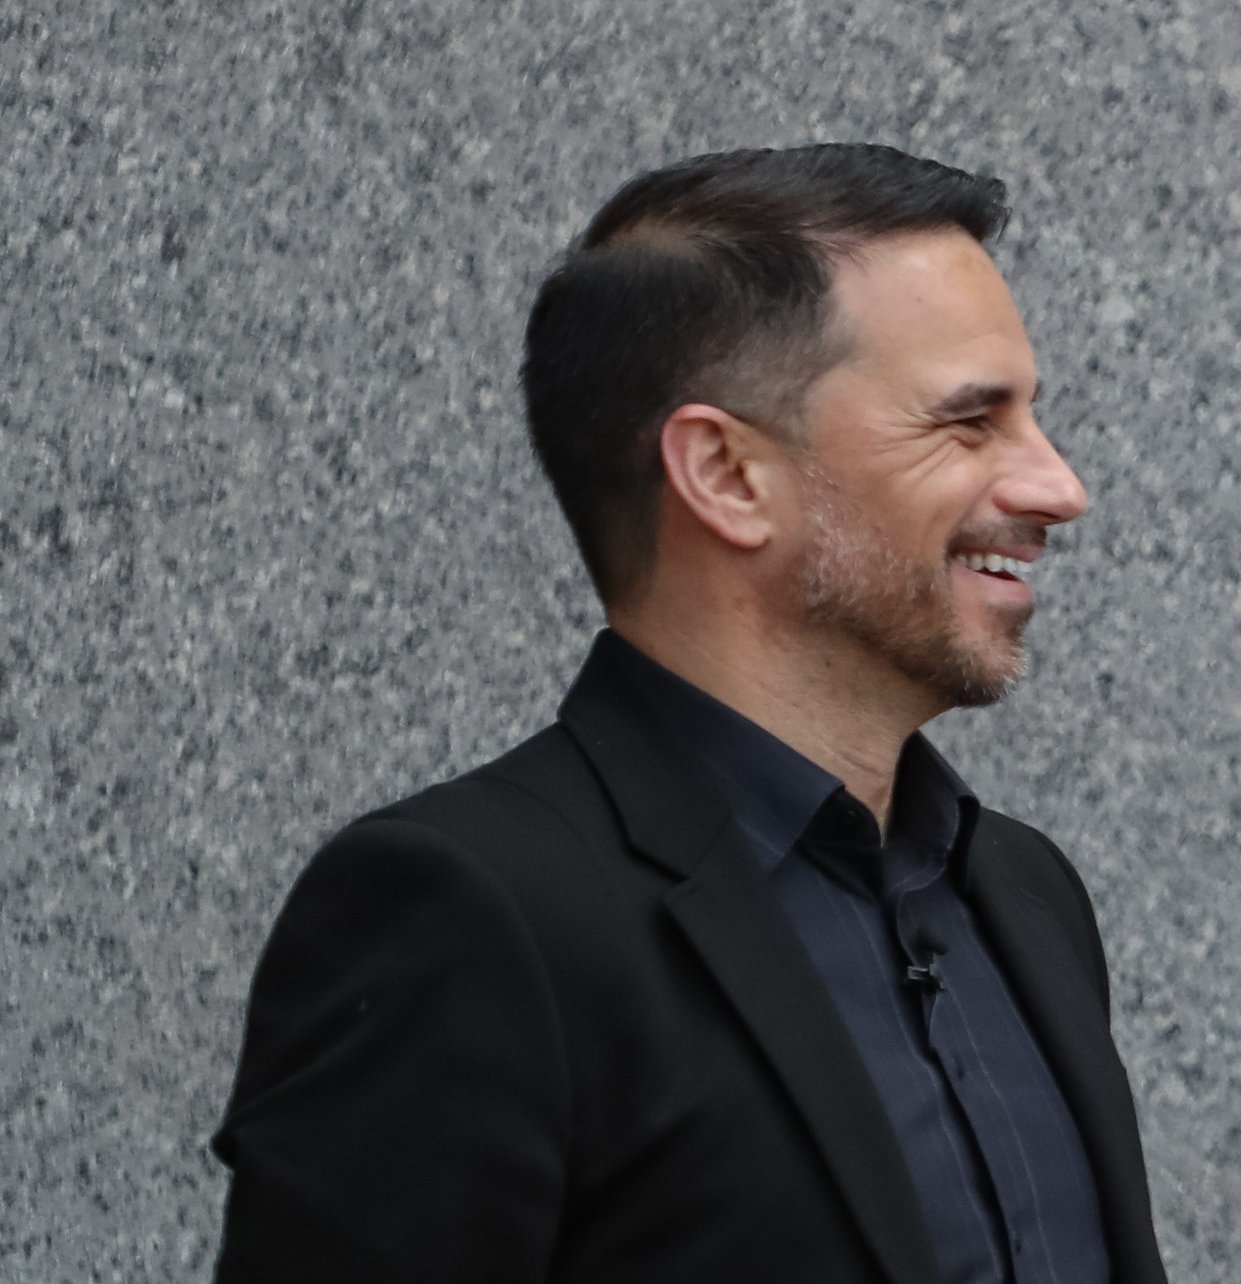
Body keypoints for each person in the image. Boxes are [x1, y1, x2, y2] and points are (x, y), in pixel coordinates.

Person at [211, 144, 1167, 1284]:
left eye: (1031, 418)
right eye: (969, 422)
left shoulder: (1022, 893)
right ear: (723, 473)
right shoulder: (471, 916)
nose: (1059, 487)